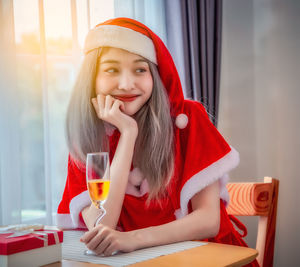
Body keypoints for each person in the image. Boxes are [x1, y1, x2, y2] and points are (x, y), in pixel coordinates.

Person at [56, 17, 258, 267]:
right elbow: (102, 224)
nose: (127, 84)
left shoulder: (188, 119)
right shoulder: (88, 138)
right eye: (111, 69)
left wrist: (132, 239)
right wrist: (128, 134)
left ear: (155, 75)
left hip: (211, 258)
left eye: (140, 69)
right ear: (92, 78)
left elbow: (208, 220)